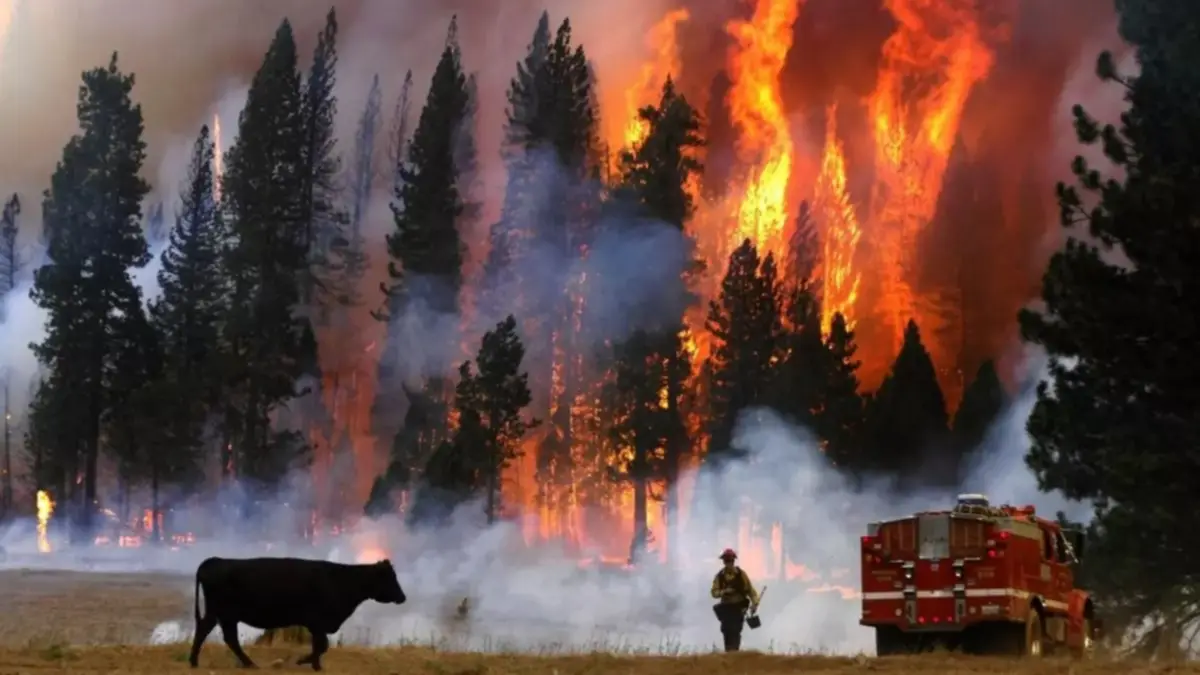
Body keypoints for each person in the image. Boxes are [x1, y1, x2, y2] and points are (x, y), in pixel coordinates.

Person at [710, 548, 759, 652]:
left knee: (736, 630)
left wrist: (755, 603)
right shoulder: (720, 577)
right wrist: (724, 592)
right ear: (724, 561)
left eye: (730, 560)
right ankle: (729, 653)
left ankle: (735, 653)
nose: (729, 563)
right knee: (726, 631)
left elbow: (751, 591)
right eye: (726, 560)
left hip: (738, 608)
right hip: (726, 609)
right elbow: (714, 592)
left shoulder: (741, 575)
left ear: (733, 561)